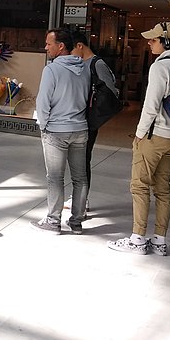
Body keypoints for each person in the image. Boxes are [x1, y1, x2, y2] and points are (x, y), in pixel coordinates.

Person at [108, 22, 170, 256]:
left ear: (164, 42)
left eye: (153, 40)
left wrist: (139, 134)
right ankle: (159, 240)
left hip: (155, 135)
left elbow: (151, 106)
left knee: (140, 186)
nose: (149, 43)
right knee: (163, 189)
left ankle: (137, 239)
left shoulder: (160, 66)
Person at [31, 28, 90, 235]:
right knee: (80, 178)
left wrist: (43, 125)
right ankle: (76, 222)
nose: (46, 47)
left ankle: (53, 220)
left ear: (61, 46)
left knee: (55, 177)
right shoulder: (84, 68)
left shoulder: (52, 69)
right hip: (80, 129)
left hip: (56, 130)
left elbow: (43, 101)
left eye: (49, 44)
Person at [68, 31, 119, 214]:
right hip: (79, 119)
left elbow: (110, 93)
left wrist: (94, 117)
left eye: (71, 50)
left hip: (89, 121)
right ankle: (80, 197)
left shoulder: (97, 64)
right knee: (78, 159)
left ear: (80, 46)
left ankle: (83, 199)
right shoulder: (82, 63)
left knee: (83, 159)